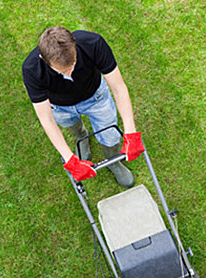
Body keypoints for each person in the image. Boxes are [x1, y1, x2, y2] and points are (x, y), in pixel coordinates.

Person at [22, 26, 144, 185]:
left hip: (96, 97)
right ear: (43, 58)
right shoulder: (32, 69)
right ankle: (81, 137)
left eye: (72, 65)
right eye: (62, 71)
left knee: (111, 136)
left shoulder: (93, 43)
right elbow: (47, 119)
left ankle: (113, 162)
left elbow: (119, 88)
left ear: (75, 46)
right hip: (60, 106)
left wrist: (130, 131)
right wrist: (69, 159)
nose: (69, 74)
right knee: (71, 124)